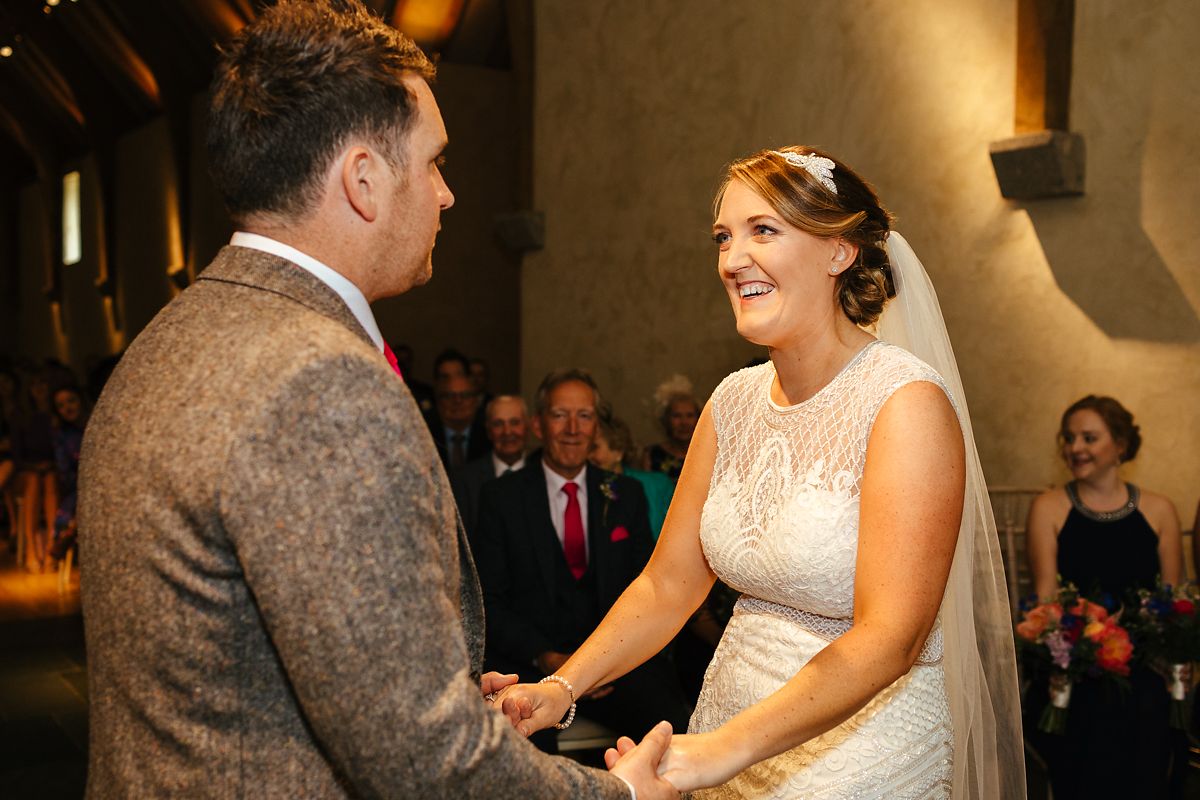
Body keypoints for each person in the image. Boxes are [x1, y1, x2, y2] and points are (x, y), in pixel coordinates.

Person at [77, 3, 674, 798]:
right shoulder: (321, 386)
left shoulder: (173, 333)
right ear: (362, 180)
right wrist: (622, 795)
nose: (448, 195)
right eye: (432, 163)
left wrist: (439, 691)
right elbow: (418, 762)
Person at [496, 147, 1023, 798]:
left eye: (763, 230)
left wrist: (723, 749)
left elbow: (893, 635)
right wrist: (559, 688)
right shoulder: (733, 402)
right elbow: (666, 585)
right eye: (723, 236)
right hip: (727, 729)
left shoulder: (904, 403)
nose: (731, 258)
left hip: (861, 756)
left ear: (839, 252)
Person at [471, 369, 691, 755]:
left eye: (584, 416)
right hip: (534, 667)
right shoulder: (500, 499)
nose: (573, 428)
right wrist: (548, 657)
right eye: (560, 415)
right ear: (539, 424)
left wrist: (598, 662)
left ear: (596, 426)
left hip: (613, 664)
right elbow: (490, 601)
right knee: (518, 748)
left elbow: (646, 583)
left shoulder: (625, 495)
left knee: (672, 724)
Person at [1025, 395, 1183, 798]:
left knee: (1151, 706)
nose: (1075, 448)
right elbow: (1046, 600)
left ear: (1121, 445)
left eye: (1089, 438)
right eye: (1069, 437)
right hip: (1075, 665)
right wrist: (1077, 646)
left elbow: (1173, 603)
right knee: (1091, 712)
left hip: (1144, 667)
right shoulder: (1049, 507)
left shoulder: (1160, 510)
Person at [451, 394, 529, 534]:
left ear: (527, 426)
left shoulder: (544, 471)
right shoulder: (465, 480)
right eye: (498, 424)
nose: (507, 432)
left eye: (515, 422)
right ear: (488, 430)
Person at [589, 415, 674, 540]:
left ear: (618, 451)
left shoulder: (658, 485)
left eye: (593, 448)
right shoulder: (584, 490)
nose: (587, 456)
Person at [48, 385, 89, 561]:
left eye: (71, 400)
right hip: (78, 488)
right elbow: (64, 471)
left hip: (107, 484)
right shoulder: (62, 436)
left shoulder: (99, 423)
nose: (68, 407)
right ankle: (71, 530)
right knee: (77, 504)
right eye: (61, 405)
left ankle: (71, 531)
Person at [426, 371, 490, 468]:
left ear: (476, 401)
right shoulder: (426, 436)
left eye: (465, 395)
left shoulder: (490, 435)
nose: (457, 401)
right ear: (438, 401)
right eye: (449, 396)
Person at [642, 377, 699, 482]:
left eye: (690, 415)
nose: (684, 422)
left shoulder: (710, 454)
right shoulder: (652, 454)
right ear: (666, 420)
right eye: (677, 416)